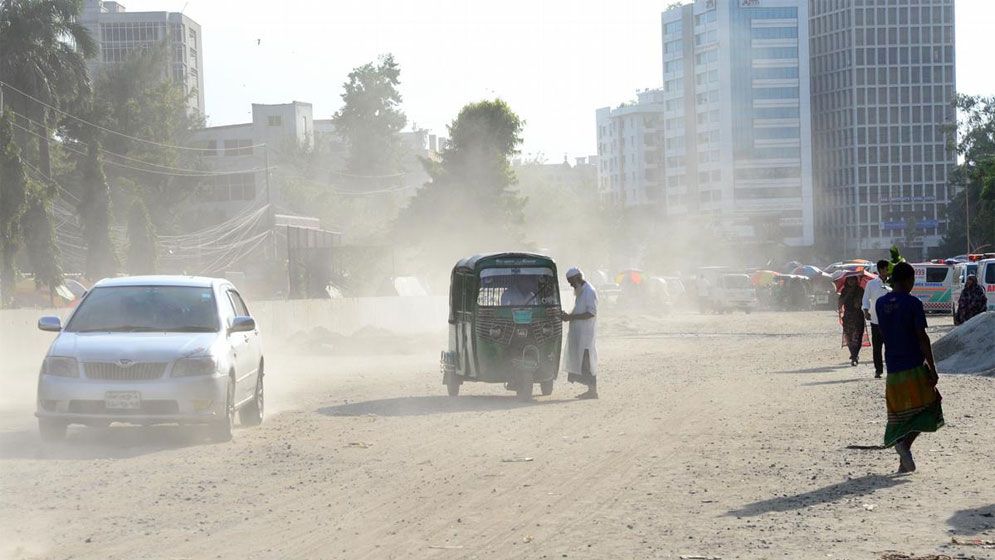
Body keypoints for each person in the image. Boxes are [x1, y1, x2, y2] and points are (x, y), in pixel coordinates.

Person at [875, 262, 944, 474]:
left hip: (893, 368)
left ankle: (903, 462)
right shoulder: (913, 303)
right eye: (912, 280)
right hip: (913, 365)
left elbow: (883, 333)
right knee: (931, 405)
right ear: (907, 280)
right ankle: (904, 445)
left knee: (902, 414)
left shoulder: (880, 303)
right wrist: (932, 367)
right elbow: (922, 337)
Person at [562, 267, 599, 399]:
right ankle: (590, 390)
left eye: (571, 281)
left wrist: (571, 317)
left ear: (578, 278)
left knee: (587, 361)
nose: (571, 285)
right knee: (581, 361)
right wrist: (568, 316)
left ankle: (593, 391)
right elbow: (579, 311)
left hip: (586, 334)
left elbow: (591, 313)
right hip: (579, 333)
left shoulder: (589, 291)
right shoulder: (580, 292)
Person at [862, 259, 892, 378]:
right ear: (880, 270)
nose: (888, 271)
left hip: (891, 321)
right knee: (877, 347)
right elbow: (865, 299)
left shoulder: (893, 284)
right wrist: (865, 310)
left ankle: (891, 369)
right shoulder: (871, 284)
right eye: (886, 269)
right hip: (876, 320)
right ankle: (878, 370)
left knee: (890, 347)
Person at [838, 275, 866, 366]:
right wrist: (848, 293)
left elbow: (858, 305)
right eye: (849, 279)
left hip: (857, 316)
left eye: (853, 279)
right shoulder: (844, 290)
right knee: (849, 337)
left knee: (857, 337)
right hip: (848, 317)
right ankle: (853, 355)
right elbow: (840, 303)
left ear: (856, 280)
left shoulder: (860, 290)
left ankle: (855, 355)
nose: (851, 281)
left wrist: (858, 299)